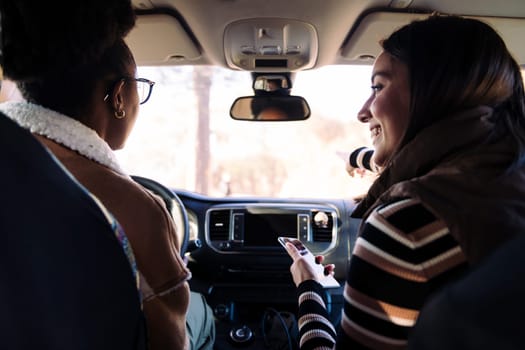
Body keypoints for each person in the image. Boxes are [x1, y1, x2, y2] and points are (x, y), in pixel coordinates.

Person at [284, 14, 525, 349]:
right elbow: (421, 156)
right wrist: (357, 158)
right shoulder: (506, 174)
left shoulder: (405, 225)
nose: (363, 111)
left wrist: (310, 293)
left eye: (378, 86)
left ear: (434, 93)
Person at [0, 1, 214, 349]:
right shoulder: (139, 211)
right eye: (137, 86)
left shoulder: (11, 162)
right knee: (202, 312)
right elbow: (170, 342)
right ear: (118, 97)